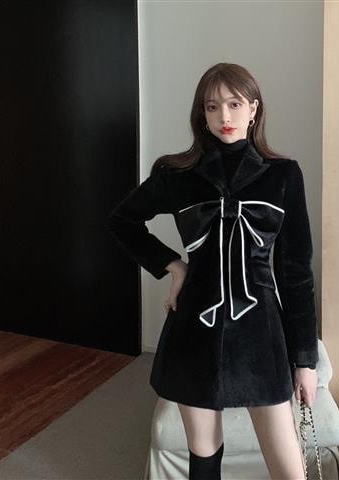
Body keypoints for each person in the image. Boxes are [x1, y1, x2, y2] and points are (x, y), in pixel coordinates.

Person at [107, 62, 319, 479]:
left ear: (253, 109)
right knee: (203, 456)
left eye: (235, 104)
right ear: (201, 114)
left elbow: (296, 273)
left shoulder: (283, 176)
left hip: (261, 336)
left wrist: (305, 360)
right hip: (194, 332)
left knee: (289, 468)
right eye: (212, 106)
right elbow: (122, 221)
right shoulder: (177, 175)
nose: (224, 116)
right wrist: (173, 267)